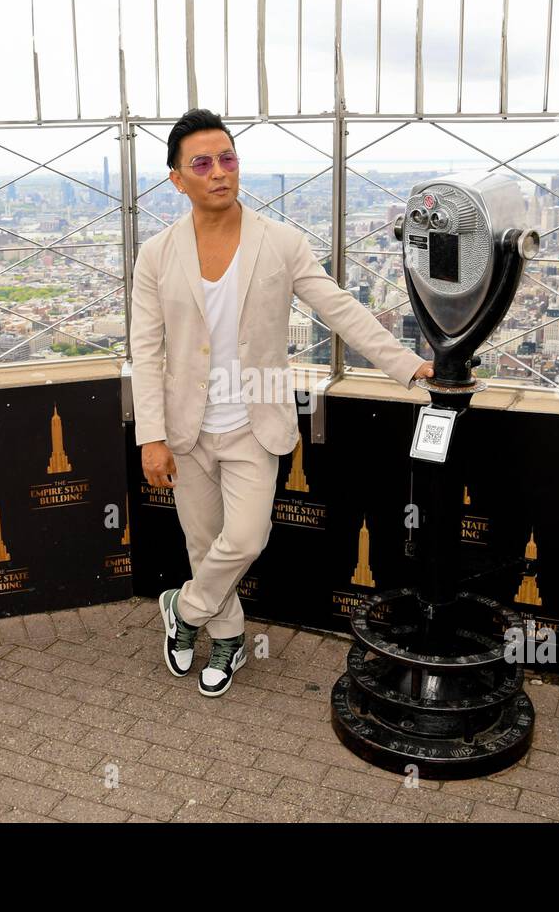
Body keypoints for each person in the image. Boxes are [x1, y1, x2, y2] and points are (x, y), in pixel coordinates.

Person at [129, 108, 433, 697]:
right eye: (202, 163)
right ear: (177, 178)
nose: (219, 172)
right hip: (184, 428)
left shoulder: (281, 242)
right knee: (202, 542)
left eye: (228, 158)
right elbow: (145, 350)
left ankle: (184, 610)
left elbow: (339, 308)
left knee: (244, 538)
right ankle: (228, 638)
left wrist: (408, 365)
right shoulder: (157, 255)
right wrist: (151, 436)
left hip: (253, 421)